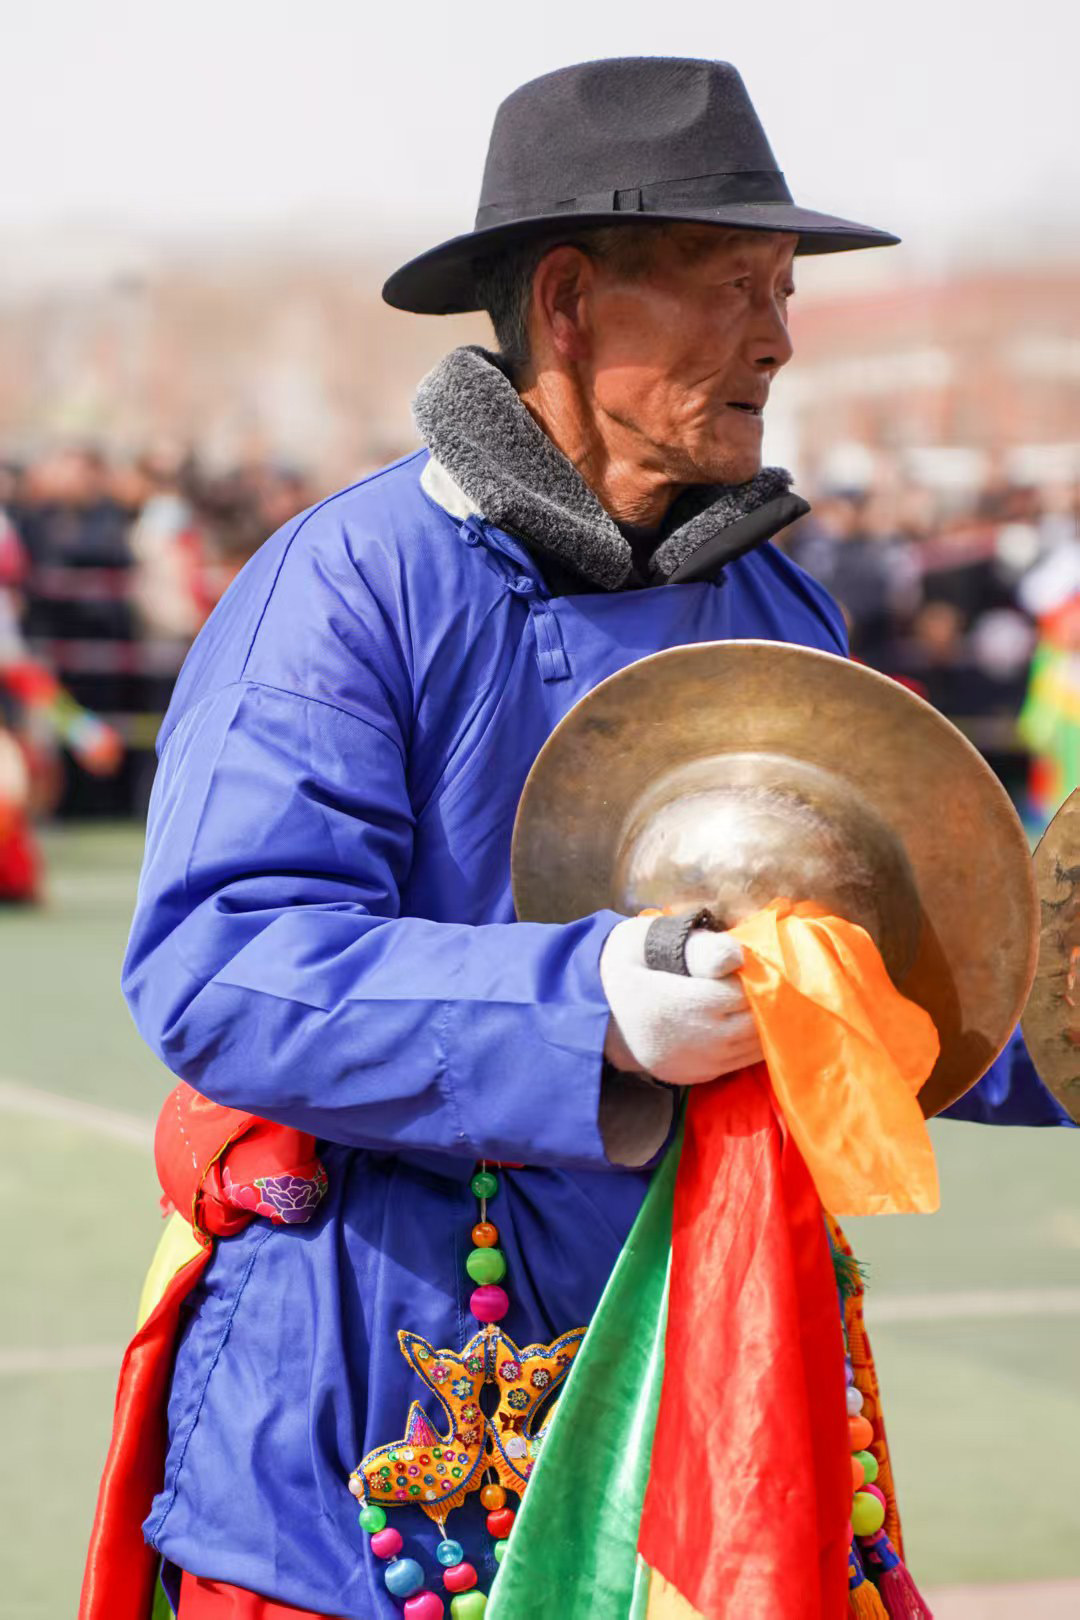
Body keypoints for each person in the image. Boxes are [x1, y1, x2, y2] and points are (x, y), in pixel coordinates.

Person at [87, 57, 1059, 1620]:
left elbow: (911, 967)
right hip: (386, 1419)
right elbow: (225, 966)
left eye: (786, 288)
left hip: (722, 1388)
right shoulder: (349, 584)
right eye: (736, 284)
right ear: (567, 302)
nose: (780, 336)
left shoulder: (778, 602)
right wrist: (590, 1005)